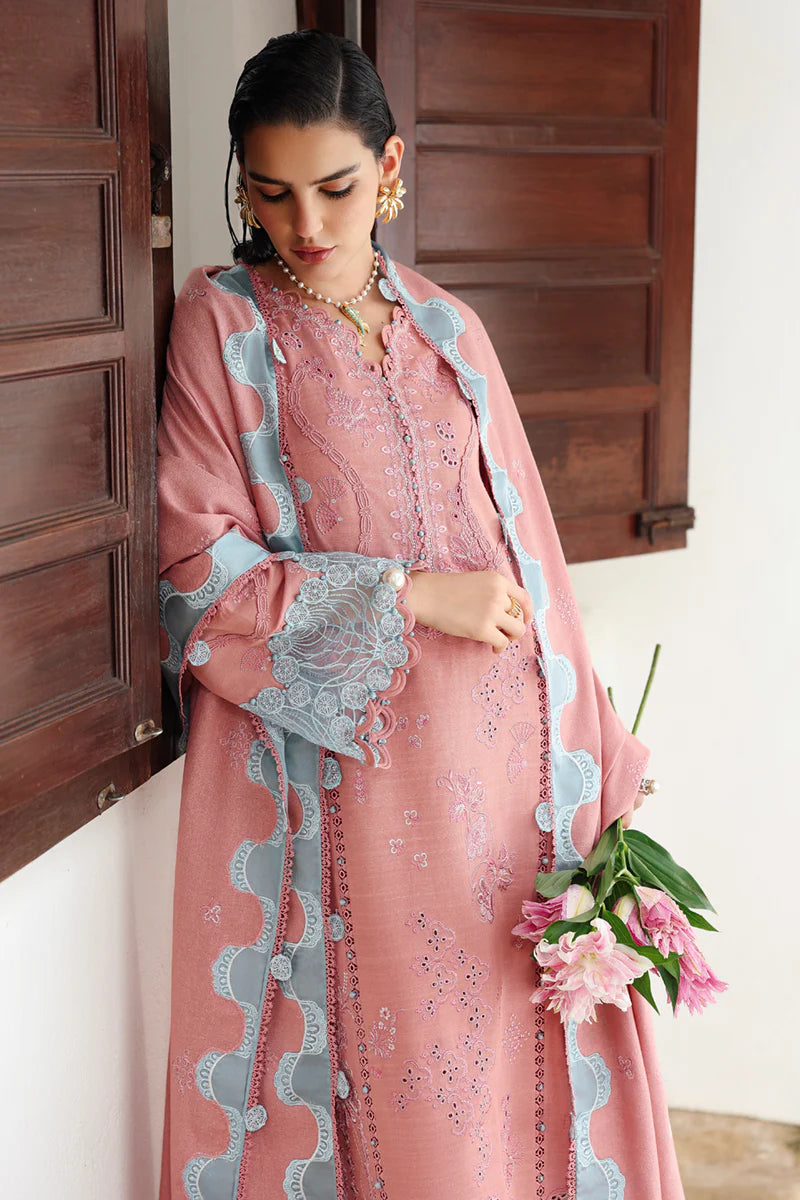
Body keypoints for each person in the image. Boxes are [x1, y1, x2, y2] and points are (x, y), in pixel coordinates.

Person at [157, 29, 683, 1200]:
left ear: (389, 167)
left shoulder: (448, 327)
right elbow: (199, 568)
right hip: (364, 780)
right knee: (404, 1084)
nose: (306, 223)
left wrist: (594, 744)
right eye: (272, 192)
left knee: (508, 1064)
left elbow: (530, 551)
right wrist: (405, 595)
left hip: (507, 781)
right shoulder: (226, 326)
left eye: (336, 187)